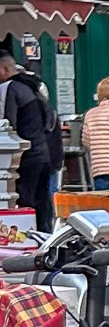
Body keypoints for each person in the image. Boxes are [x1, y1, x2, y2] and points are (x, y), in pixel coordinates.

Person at [0, 52, 53, 225]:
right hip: (43, 151)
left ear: (5, 69)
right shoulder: (32, 86)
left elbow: (8, 124)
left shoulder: (10, 88)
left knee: (25, 202)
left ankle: (27, 240)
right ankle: (45, 239)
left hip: (25, 156)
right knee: (42, 203)